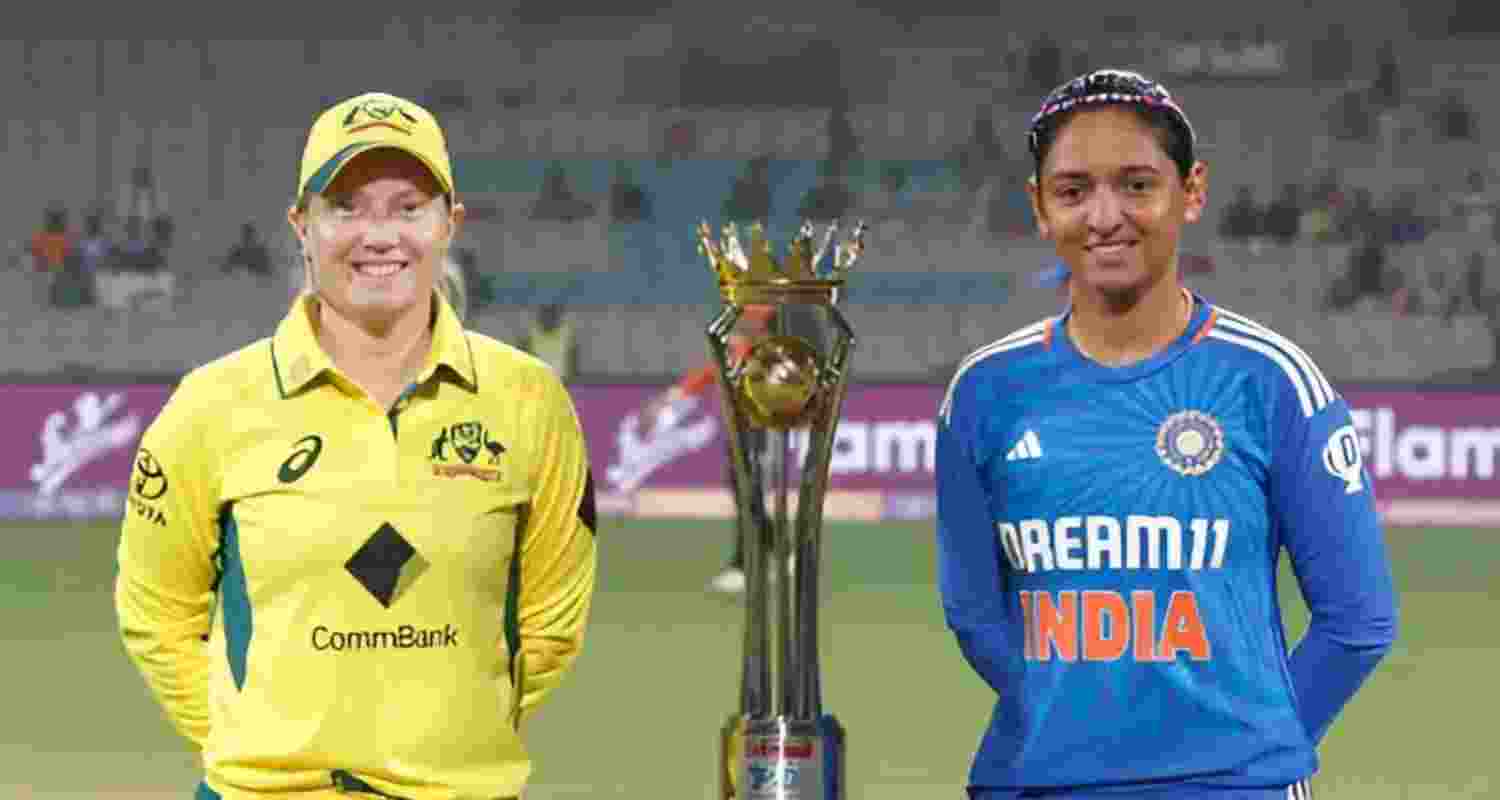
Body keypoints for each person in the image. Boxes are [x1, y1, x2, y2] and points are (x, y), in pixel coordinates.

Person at [115, 91, 598, 800]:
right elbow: (156, 613)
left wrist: (452, 746)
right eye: (346, 207)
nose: (379, 235)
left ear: (450, 225)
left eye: (409, 207)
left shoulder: (531, 402)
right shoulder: (209, 406)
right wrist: (258, 750)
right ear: (301, 226)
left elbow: (550, 626)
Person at [935, 69, 1398, 800]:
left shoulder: (1271, 380)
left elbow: (1358, 621)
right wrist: (1078, 736)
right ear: (1039, 207)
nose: (1105, 216)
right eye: (1073, 191)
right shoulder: (985, 391)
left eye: (1137, 185)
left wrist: (1238, 756)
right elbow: (973, 611)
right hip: (1040, 786)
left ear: (1192, 191)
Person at [637, 305, 777, 594]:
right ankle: (777, 552)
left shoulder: (766, 353)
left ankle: (745, 566)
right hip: (739, 434)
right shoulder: (738, 349)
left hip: (757, 434)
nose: (739, 324)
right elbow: (705, 376)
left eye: (746, 319)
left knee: (748, 499)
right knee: (748, 499)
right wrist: (665, 401)